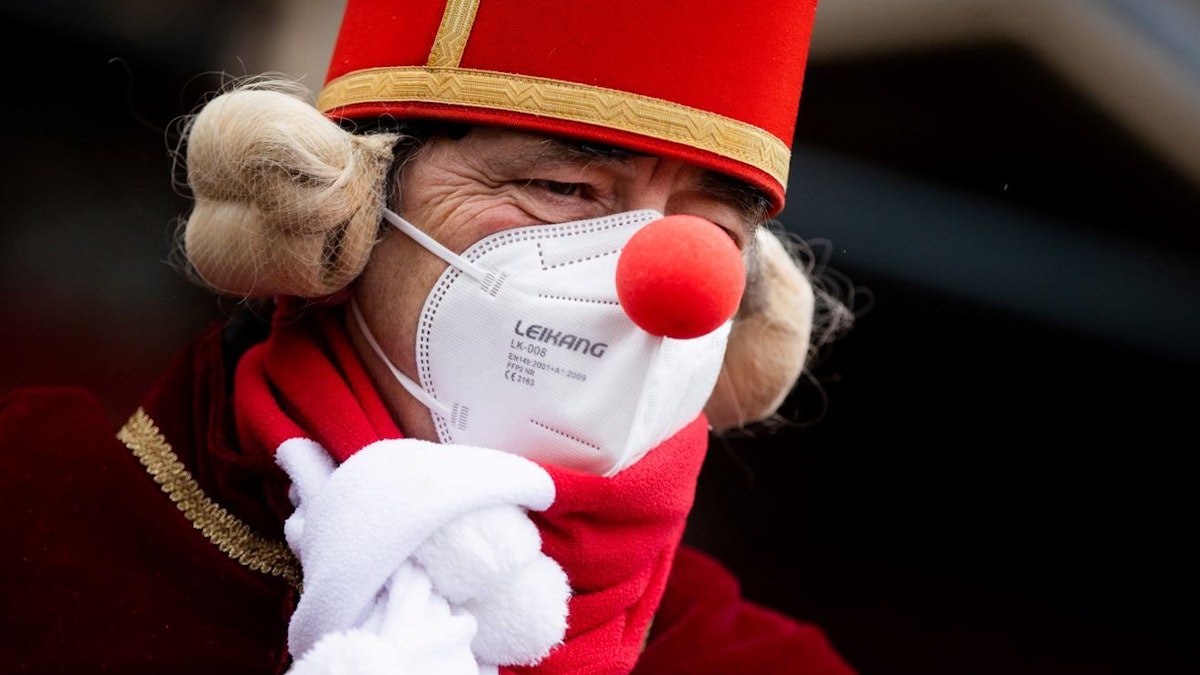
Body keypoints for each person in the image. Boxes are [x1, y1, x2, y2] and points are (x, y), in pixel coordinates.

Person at [0, 0, 856, 673]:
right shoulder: (29, 523)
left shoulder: (761, 663)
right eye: (563, 187)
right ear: (344, 208)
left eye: (711, 231)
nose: (656, 280)